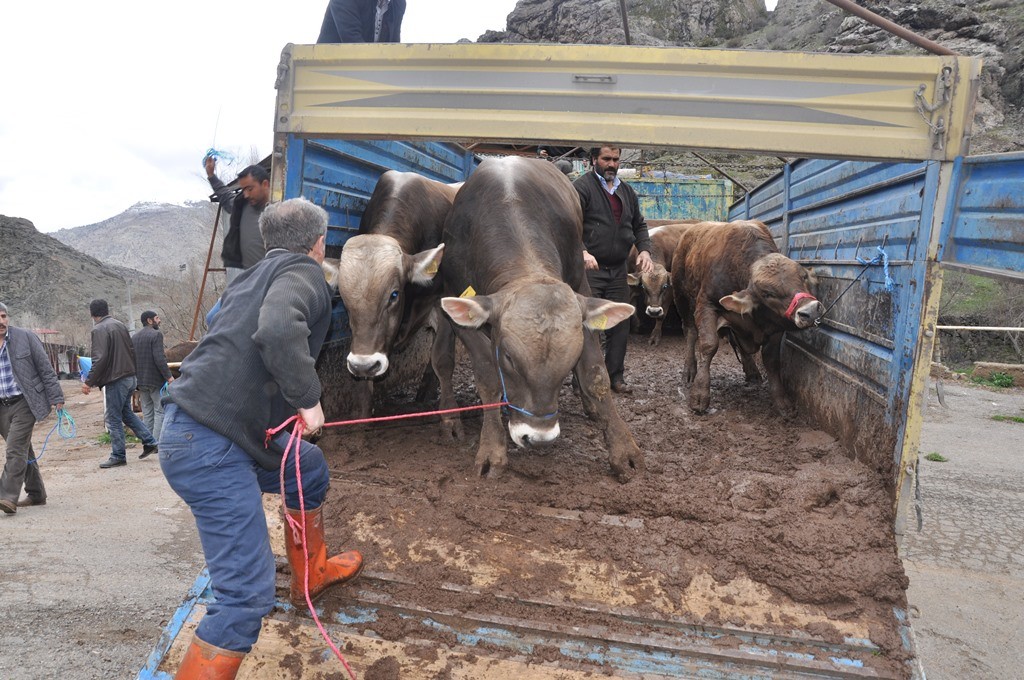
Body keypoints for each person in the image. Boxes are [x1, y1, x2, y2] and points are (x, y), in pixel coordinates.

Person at [160, 198, 362, 677]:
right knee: (245, 597)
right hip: (211, 447)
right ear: (319, 243)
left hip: (205, 432)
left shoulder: (247, 278)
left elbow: (216, 324)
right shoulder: (305, 275)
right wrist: (307, 399)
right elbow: (275, 328)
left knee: (308, 469)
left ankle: (309, 577)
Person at [574, 146, 654, 395]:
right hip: (591, 270)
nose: (611, 164)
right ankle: (583, 380)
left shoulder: (626, 191)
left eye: (615, 160)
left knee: (620, 322)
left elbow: (639, 224)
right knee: (591, 325)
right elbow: (570, 224)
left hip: (618, 270)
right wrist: (582, 251)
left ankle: (615, 377)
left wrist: (644, 250)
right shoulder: (582, 188)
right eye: (606, 159)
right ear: (593, 160)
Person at [0, 303, 65, 514]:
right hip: (1, 406)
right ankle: (36, 493)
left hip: (25, 402)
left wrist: (56, 397)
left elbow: (45, 368)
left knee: (15, 449)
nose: (1, 321)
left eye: (3, 316)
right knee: (23, 449)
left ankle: (6, 497)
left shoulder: (25, 337)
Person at [82, 300, 159, 468]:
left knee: (113, 417)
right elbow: (131, 351)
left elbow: (100, 358)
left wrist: (89, 382)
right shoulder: (120, 325)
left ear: (92, 314)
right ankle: (150, 441)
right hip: (130, 377)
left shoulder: (99, 329)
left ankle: (118, 455)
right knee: (126, 413)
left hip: (116, 379)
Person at [205, 158, 271, 284]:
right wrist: (211, 176)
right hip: (252, 281)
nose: (245, 194)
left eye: (250, 189)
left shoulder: (280, 213)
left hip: (274, 281)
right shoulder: (242, 206)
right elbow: (225, 196)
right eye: (243, 190)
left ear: (265, 184)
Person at [132, 311, 173, 440]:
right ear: (150, 321)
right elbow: (159, 358)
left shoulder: (135, 337)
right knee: (160, 411)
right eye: (157, 318)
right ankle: (156, 442)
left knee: (147, 413)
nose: (159, 320)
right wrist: (169, 377)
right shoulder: (156, 335)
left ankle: (148, 442)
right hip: (155, 381)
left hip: (140, 381)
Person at [317, 0, 406, 44]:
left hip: (369, 72)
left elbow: (394, 45)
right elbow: (352, 41)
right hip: (329, 71)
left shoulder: (398, 4)